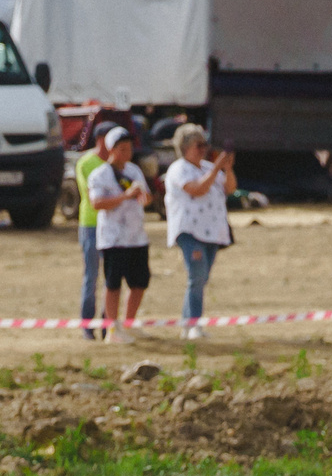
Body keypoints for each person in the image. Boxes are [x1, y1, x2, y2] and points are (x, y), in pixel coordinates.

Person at [160, 123, 231, 341]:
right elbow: (197, 189)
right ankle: (193, 326)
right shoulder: (179, 169)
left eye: (205, 144)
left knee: (201, 278)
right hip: (190, 231)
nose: (203, 149)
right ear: (185, 147)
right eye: (199, 145)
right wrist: (217, 167)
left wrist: (227, 167)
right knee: (197, 276)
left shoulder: (207, 167)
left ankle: (187, 324)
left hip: (211, 232)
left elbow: (230, 188)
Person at [87, 125, 149, 342]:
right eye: (121, 148)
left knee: (140, 282)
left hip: (136, 236)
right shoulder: (100, 175)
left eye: (129, 148)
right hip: (113, 238)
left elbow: (147, 198)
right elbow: (97, 202)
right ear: (111, 149)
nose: (126, 152)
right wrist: (125, 196)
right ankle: (112, 328)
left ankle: (129, 323)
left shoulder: (134, 171)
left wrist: (143, 196)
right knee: (113, 284)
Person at [71, 126, 118, 339]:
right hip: (91, 224)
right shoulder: (85, 163)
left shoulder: (118, 164)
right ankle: (87, 325)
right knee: (91, 276)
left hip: (114, 225)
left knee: (112, 278)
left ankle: (108, 324)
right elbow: (92, 195)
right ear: (100, 139)